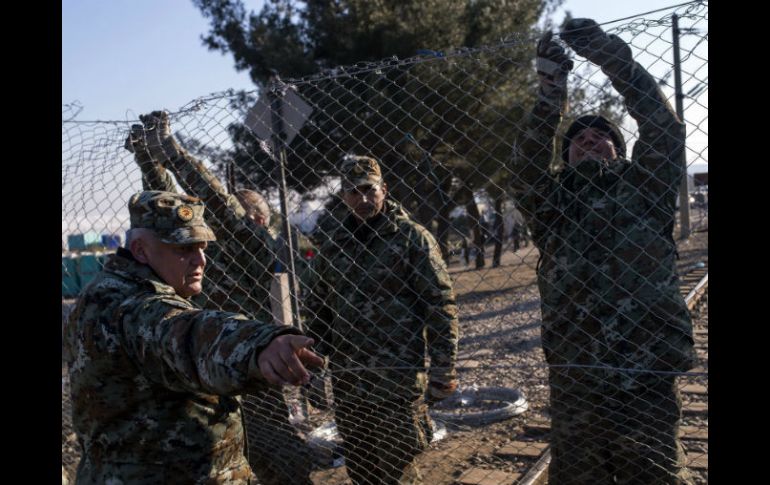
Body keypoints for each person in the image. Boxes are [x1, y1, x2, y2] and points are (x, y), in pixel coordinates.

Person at [508, 19, 696, 484]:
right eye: (578, 139)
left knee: (656, 477)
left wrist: (609, 56)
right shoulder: (551, 203)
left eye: (602, 136)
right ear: (566, 155)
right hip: (578, 376)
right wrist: (552, 92)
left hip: (646, 370)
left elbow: (663, 128)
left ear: (620, 150)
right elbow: (525, 165)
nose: (590, 139)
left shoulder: (645, 187)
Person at [63, 190, 323, 484]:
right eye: (183, 248)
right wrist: (260, 345)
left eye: (202, 247)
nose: (199, 260)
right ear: (140, 250)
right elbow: (185, 333)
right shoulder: (133, 308)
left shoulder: (102, 291)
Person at [125, 112, 314, 485]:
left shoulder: (255, 248)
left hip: (245, 364)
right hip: (208, 365)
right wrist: (150, 162)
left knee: (276, 458)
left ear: (258, 220)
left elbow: (222, 209)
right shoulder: (199, 254)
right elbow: (172, 208)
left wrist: (172, 155)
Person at [303, 155, 460, 485]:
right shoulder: (333, 244)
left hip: (396, 386)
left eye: (368, 190)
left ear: (384, 190)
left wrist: (444, 367)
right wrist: (314, 370)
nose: (361, 199)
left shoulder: (410, 238)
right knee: (363, 474)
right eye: (352, 191)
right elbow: (318, 311)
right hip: (349, 387)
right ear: (343, 196)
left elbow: (440, 304)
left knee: (400, 473)